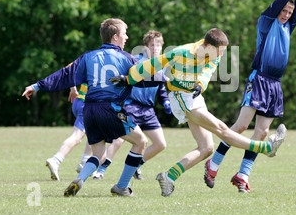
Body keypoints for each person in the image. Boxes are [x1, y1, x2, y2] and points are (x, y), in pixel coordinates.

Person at [110, 28, 286, 197]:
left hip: (194, 96)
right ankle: (266, 148)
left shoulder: (212, 56)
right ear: (209, 47)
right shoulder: (182, 52)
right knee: (221, 128)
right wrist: (128, 78)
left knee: (206, 148)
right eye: (221, 51)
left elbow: (208, 72)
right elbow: (154, 64)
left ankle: (169, 176)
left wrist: (200, 85)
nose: (222, 55)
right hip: (180, 97)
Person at [204, 0, 296, 193]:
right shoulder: (266, 21)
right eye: (283, 10)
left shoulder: (288, 26)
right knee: (242, 126)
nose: (286, 14)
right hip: (259, 79)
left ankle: (242, 175)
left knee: (262, 132)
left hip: (275, 84)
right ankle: (213, 164)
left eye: (289, 12)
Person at [22, 18, 151, 197]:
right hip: (110, 109)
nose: (127, 38)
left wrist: (37, 86)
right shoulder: (126, 58)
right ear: (115, 37)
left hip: (89, 110)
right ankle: (121, 187)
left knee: (99, 155)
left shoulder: (88, 57)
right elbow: (144, 79)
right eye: (124, 34)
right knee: (141, 142)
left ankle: (80, 179)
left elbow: (64, 74)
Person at [92, 30, 172, 180]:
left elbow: (161, 88)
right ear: (146, 46)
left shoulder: (162, 66)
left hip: (148, 110)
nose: (155, 48)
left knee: (161, 144)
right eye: (152, 45)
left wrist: (166, 101)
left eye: (158, 46)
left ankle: (135, 166)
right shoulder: (135, 60)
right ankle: (101, 169)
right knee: (119, 139)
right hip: (130, 105)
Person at [45, 84, 92, 181]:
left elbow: (69, 70)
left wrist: (73, 89)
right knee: (76, 137)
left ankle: (84, 162)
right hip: (87, 104)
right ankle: (56, 160)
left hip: (79, 101)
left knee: (96, 132)